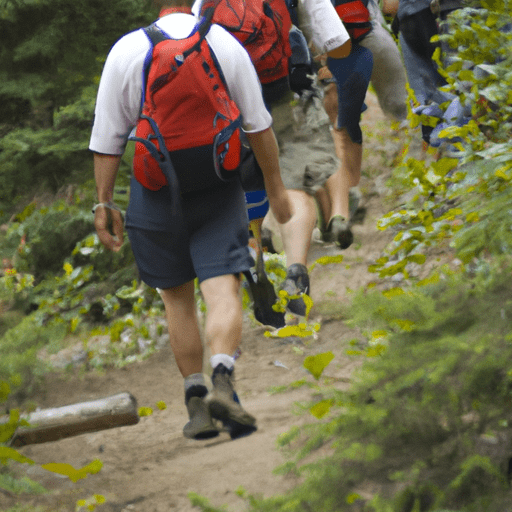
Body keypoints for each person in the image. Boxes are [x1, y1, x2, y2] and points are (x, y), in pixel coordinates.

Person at [90, 0, 293, 440]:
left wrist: (104, 205)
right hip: (220, 186)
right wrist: (275, 190)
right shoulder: (222, 41)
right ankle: (223, 376)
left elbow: (107, 140)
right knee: (223, 289)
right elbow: (259, 127)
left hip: (155, 194)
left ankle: (196, 401)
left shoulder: (126, 50)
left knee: (176, 300)